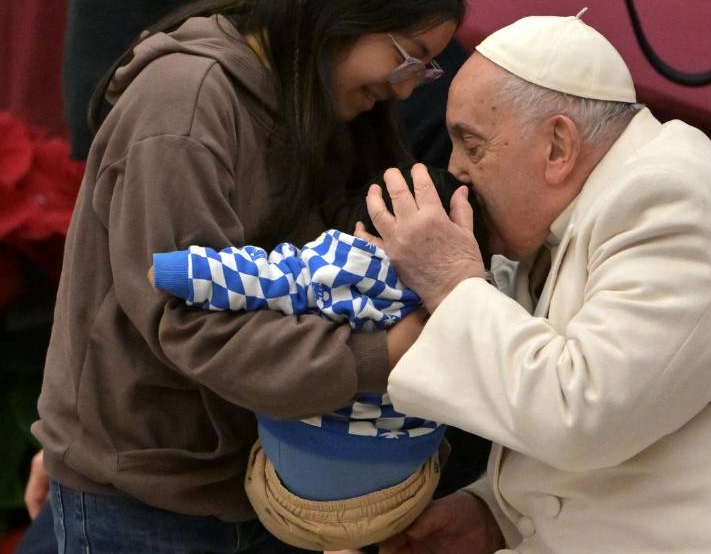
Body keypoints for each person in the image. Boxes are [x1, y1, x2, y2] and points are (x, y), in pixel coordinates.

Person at [360, 13, 711, 553]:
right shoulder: (585, 206)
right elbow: (645, 412)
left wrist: (451, 281)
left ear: (558, 146)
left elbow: (581, 413)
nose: (457, 169)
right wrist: (497, 514)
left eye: (474, 145)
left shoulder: (672, 196)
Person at [31, 0, 466, 552]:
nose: (408, 90)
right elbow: (189, 317)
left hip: (263, 481)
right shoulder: (184, 104)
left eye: (427, 69)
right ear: (340, 4)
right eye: (409, 57)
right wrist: (387, 352)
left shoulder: (317, 105)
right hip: (144, 499)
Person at [147, 169, 488, 550]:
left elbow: (253, 276)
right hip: (400, 497)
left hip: (285, 496)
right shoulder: (472, 295)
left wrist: (175, 270)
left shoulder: (340, 262)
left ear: (363, 222)